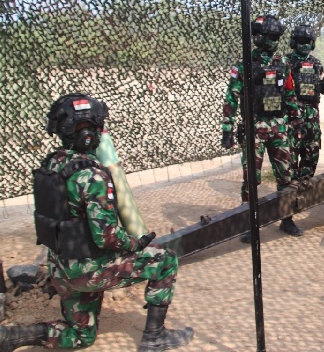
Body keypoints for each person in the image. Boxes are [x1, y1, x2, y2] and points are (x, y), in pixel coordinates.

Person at [0, 93, 193, 351]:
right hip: (88, 271)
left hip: (61, 268)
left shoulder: (52, 164)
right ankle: (155, 338)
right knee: (165, 260)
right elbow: (107, 236)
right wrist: (135, 243)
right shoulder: (92, 175)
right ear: (94, 132)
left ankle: (15, 337)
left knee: (81, 337)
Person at [221, 15, 304, 237]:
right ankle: (250, 223)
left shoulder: (283, 64)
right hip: (254, 128)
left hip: (279, 128)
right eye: (268, 36)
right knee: (251, 179)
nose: (272, 41)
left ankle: (286, 219)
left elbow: (289, 93)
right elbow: (231, 98)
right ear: (257, 37)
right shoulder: (244, 65)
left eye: (275, 37)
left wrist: (297, 121)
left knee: (285, 176)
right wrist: (227, 129)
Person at [285, 25, 324, 180]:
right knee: (291, 152)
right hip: (292, 116)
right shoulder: (285, 62)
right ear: (293, 42)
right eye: (301, 41)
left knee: (312, 151)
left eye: (308, 41)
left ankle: (304, 184)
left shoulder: (316, 64)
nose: (304, 45)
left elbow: (322, 88)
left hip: (312, 117)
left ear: (313, 44)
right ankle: (289, 188)